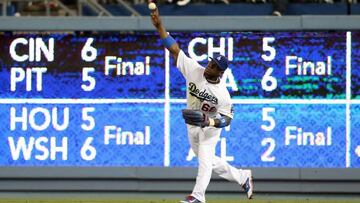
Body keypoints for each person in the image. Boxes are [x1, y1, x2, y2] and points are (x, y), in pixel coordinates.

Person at [150, 5, 254, 203]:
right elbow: (173, 49)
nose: (210, 65)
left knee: (205, 158)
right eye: (210, 62)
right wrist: (160, 26)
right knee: (207, 161)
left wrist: (211, 122)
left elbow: (228, 119)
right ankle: (242, 176)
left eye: (214, 66)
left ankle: (198, 197)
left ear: (220, 73)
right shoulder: (194, 70)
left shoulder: (222, 94)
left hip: (209, 127)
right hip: (192, 123)